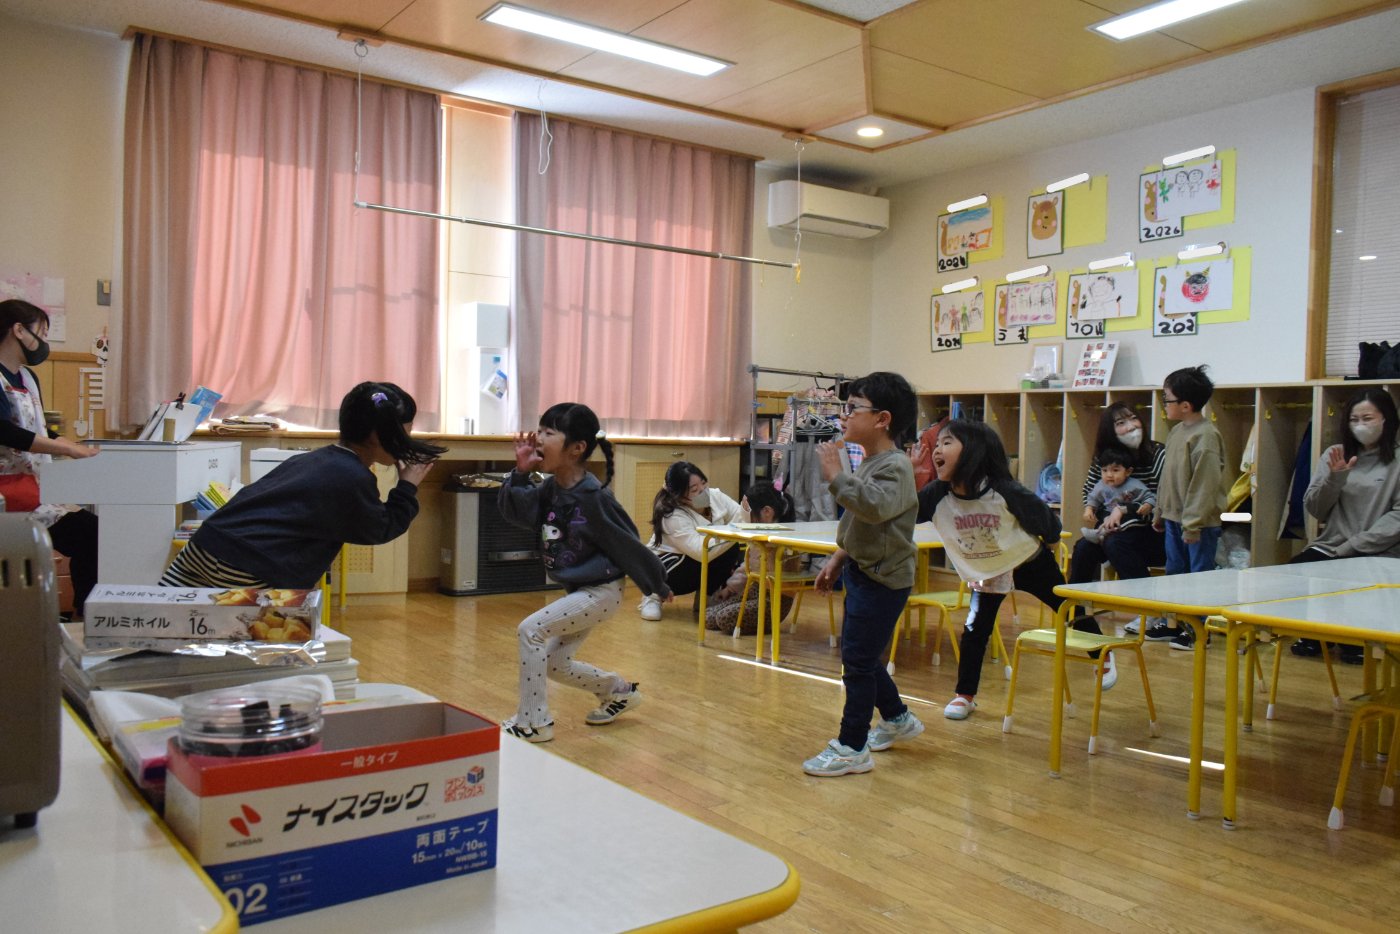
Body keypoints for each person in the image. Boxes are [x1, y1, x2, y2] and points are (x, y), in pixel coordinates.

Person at [497, 402, 671, 743]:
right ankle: (617, 691)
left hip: (601, 591)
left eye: (549, 432)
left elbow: (626, 542)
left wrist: (657, 584)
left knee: (530, 631)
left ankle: (534, 722)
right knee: (554, 663)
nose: (538, 438)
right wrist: (518, 474)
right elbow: (517, 512)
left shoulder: (594, 497)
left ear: (576, 448)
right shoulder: (551, 488)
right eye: (539, 429)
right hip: (579, 592)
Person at [161, 381, 444, 589]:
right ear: (376, 436)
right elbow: (380, 529)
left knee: (169, 627)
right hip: (248, 563)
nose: (407, 442)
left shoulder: (315, 459)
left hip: (204, 545)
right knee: (249, 641)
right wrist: (407, 487)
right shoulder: (353, 476)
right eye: (404, 434)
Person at [803, 371, 924, 777]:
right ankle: (897, 718)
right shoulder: (875, 462)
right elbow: (861, 523)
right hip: (864, 572)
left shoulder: (895, 467)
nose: (845, 415)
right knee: (862, 657)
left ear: (882, 419)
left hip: (883, 580)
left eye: (853, 408)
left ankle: (852, 746)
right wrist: (839, 558)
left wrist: (835, 475)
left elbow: (872, 507)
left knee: (856, 662)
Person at [918, 419, 1067, 718]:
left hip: (1028, 560)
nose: (937, 449)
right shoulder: (937, 494)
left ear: (974, 450)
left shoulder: (1003, 489)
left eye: (947, 442)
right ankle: (964, 695)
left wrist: (1051, 543)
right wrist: (913, 476)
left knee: (1067, 606)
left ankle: (1102, 654)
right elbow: (902, 513)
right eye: (937, 444)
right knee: (975, 630)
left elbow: (1046, 521)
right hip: (989, 572)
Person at [0, 299, 100, 615]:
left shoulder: (28, 378)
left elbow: (37, 427)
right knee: (89, 534)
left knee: (94, 534)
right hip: (7, 493)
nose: (44, 342)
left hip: (34, 489)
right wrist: (67, 449)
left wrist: (72, 445)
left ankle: (86, 617)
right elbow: (6, 431)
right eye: (42, 333)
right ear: (18, 330)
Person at [1290, 388, 1400, 662]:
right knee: (1293, 572)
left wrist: (1354, 546)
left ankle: (1356, 640)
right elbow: (1315, 508)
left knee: (1355, 578)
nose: (1360, 425)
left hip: (1380, 549)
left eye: (1367, 418)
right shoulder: (1335, 454)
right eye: (1354, 419)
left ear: (1386, 419)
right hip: (1332, 544)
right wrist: (1335, 479)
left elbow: (1397, 517)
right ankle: (1315, 634)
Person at [1151, 365, 1227, 650]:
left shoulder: (1206, 436)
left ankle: (1199, 630)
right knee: (1175, 573)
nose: (1164, 404)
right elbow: (1167, 478)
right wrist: (1160, 510)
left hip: (1198, 524)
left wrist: (1192, 524)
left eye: (1167, 399)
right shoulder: (1176, 432)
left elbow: (1204, 486)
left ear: (1186, 405)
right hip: (1174, 518)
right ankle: (1174, 623)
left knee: (1198, 577)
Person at [1067, 402, 1167, 595]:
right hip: (1113, 531)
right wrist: (1101, 514)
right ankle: (1075, 606)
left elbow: (1162, 501)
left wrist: (1124, 510)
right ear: (1110, 431)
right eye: (1121, 423)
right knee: (1084, 547)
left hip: (1152, 532)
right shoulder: (1103, 458)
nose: (1131, 426)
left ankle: (1146, 602)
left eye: (1134, 418)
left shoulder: (1158, 454)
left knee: (1116, 543)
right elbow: (1090, 492)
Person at [644, 460, 745, 621]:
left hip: (698, 561)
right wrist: (735, 530)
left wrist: (747, 511)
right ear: (678, 495)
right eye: (694, 490)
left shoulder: (716, 496)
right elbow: (700, 551)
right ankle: (653, 596)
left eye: (703, 484)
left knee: (729, 547)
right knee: (715, 547)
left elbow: (740, 516)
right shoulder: (671, 515)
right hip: (670, 568)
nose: (702, 491)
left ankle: (707, 597)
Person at [704, 481, 799, 634]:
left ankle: (760, 626)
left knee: (723, 618)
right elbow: (748, 566)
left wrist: (767, 547)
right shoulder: (758, 535)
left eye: (750, 519)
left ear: (767, 512)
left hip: (773, 599)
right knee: (708, 617)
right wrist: (730, 589)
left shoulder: (785, 540)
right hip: (753, 591)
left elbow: (782, 575)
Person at [1079, 446, 1156, 545]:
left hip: (1130, 517)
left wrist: (1147, 505)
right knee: (1106, 520)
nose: (1109, 475)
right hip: (1109, 514)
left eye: (1115, 470)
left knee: (1128, 521)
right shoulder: (1101, 485)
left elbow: (1151, 496)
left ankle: (1100, 533)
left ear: (1128, 472)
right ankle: (1101, 533)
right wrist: (1089, 509)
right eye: (1104, 470)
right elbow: (1093, 498)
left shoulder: (1135, 485)